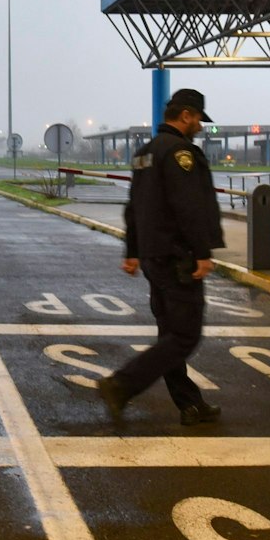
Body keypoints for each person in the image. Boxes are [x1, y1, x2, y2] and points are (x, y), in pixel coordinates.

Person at [98, 88, 225, 428]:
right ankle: (121, 384)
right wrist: (202, 253)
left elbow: (134, 206)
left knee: (171, 334)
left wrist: (133, 251)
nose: (200, 125)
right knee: (184, 336)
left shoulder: (145, 153)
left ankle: (190, 405)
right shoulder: (181, 153)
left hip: (155, 258)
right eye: (198, 118)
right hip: (178, 258)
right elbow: (190, 208)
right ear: (186, 115)